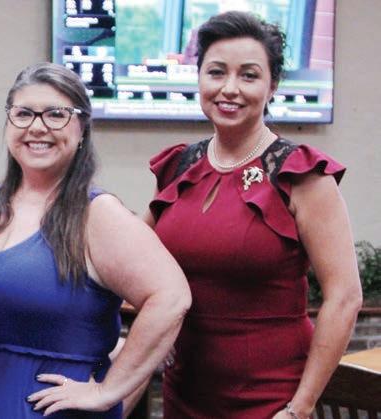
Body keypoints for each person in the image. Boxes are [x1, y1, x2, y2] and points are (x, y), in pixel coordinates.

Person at [0, 62, 191, 419]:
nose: (37, 127)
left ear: (81, 129)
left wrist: (108, 391)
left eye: (56, 114)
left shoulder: (98, 215)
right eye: (24, 114)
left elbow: (171, 297)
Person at [144, 11, 362, 419]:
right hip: (184, 393)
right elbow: (137, 264)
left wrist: (300, 407)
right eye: (216, 72)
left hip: (272, 399)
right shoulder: (178, 167)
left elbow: (345, 297)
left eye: (248, 75)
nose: (230, 88)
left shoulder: (302, 174)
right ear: (198, 78)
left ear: (272, 85)